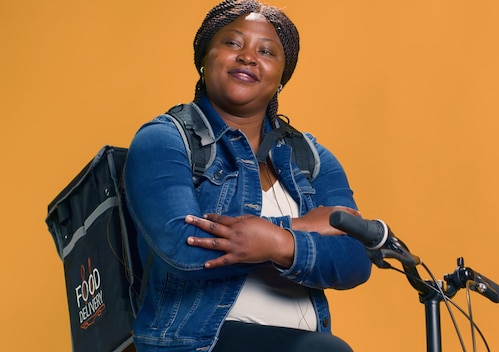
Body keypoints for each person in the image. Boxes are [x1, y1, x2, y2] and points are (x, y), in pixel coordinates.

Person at [123, 1, 372, 351]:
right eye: (232, 43)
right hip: (195, 342)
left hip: (301, 341)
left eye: (266, 51)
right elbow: (183, 247)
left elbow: (355, 259)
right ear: (205, 57)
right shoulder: (164, 139)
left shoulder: (310, 158)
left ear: (281, 77)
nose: (248, 57)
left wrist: (277, 242)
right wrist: (298, 227)